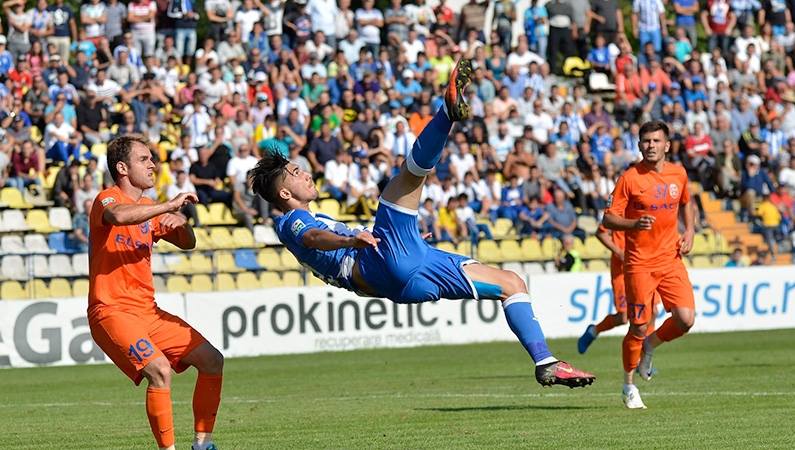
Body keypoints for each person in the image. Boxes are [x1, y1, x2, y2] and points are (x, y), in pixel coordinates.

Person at [249, 59, 595, 389]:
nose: (305, 173)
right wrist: (351, 242)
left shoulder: (308, 216)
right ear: (283, 192)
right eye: (296, 173)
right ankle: (447, 112)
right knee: (405, 181)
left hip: (402, 280)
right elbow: (313, 238)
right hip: (376, 264)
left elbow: (322, 237)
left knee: (511, 283)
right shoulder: (291, 221)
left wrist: (407, 239)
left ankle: (545, 361)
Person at [87, 135, 223, 450]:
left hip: (147, 312)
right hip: (111, 311)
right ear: (122, 168)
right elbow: (120, 216)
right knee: (160, 370)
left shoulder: (149, 207)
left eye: (152, 159)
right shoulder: (106, 199)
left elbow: (188, 242)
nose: (153, 164)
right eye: (144, 159)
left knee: (212, 361)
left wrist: (181, 221)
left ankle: (203, 445)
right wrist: (168, 205)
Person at [603, 120, 696, 409]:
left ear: (667, 145)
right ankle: (628, 386)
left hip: (670, 259)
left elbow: (685, 203)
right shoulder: (630, 178)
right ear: (639, 144)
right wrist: (633, 223)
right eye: (646, 141)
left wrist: (690, 230)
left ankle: (650, 347)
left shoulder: (678, 173)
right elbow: (608, 219)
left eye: (656, 141)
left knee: (686, 319)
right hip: (639, 264)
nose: (651, 146)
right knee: (639, 325)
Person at [577, 224, 661, 354]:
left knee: (653, 311)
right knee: (623, 317)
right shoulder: (618, 208)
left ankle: (644, 357)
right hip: (622, 271)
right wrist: (618, 251)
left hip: (645, 267)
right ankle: (594, 331)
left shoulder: (647, 208)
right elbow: (601, 232)